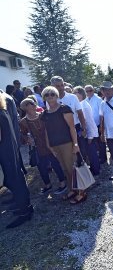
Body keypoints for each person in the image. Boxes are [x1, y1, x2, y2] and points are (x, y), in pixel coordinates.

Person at [40, 86, 86, 204]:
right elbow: (46, 131)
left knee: (73, 168)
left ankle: (81, 192)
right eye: (47, 94)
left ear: (56, 96)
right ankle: (72, 190)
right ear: (44, 97)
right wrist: (49, 145)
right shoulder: (45, 114)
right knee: (65, 169)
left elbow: (72, 127)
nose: (50, 96)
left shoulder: (64, 109)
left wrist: (75, 144)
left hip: (67, 143)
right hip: (55, 145)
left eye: (52, 94)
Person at [19, 97, 67, 194]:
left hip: (50, 144)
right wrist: (27, 139)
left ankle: (63, 183)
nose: (33, 106)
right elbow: (23, 135)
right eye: (29, 105)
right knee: (41, 167)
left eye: (33, 103)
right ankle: (47, 185)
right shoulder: (23, 122)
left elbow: (53, 128)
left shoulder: (44, 115)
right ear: (25, 108)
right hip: (37, 147)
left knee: (55, 163)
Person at [0, 92, 33, 228]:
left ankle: (25, 211)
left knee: (14, 179)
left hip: (5, 151)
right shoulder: (3, 110)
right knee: (15, 178)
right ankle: (25, 207)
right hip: (9, 149)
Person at [50, 76, 87, 154]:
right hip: (60, 131)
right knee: (67, 154)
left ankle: (82, 165)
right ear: (52, 87)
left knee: (80, 151)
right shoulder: (50, 100)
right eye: (58, 86)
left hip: (75, 128)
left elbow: (80, 113)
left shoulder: (72, 97)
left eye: (62, 85)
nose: (61, 88)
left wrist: (84, 128)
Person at [73, 86, 100, 176]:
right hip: (86, 134)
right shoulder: (80, 104)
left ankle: (96, 171)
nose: (74, 94)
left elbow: (90, 122)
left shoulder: (84, 105)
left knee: (92, 153)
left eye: (75, 92)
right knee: (89, 152)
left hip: (89, 134)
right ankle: (93, 169)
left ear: (80, 94)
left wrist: (90, 136)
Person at [85, 84, 107, 164]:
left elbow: (102, 113)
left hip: (98, 124)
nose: (88, 92)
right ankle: (98, 157)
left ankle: (103, 157)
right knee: (94, 142)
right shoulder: (86, 100)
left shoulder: (98, 99)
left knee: (101, 141)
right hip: (90, 125)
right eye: (86, 91)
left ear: (93, 90)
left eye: (90, 90)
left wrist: (102, 125)